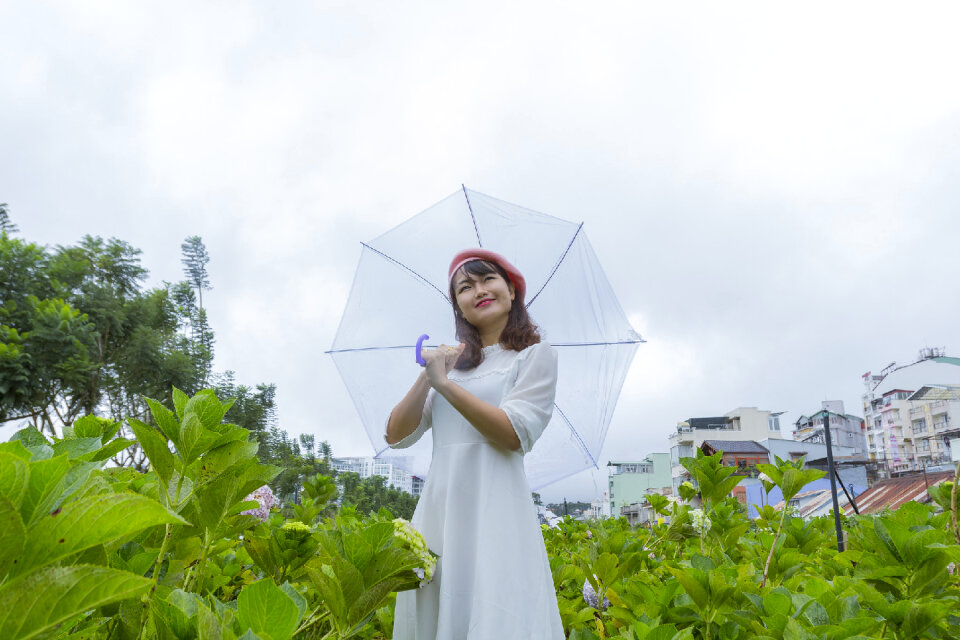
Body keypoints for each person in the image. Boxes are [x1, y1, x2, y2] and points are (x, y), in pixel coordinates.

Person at [384, 249, 565, 640]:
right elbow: (396, 436)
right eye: (465, 287)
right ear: (459, 309)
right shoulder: (452, 367)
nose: (478, 290)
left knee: (496, 611)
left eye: (487, 280)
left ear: (512, 291)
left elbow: (513, 433)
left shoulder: (534, 356)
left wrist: (444, 385)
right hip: (441, 512)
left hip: (497, 509)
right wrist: (430, 377)